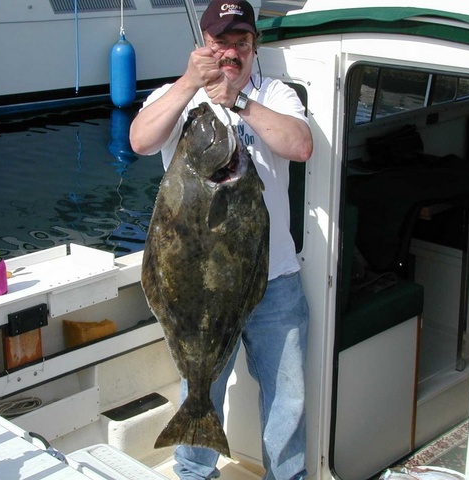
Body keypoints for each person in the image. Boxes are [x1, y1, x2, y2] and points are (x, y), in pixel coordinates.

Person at [130, 1, 313, 478]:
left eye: (241, 43)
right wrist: (190, 84)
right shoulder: (175, 96)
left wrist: (240, 103)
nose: (230, 52)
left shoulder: (275, 93)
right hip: (197, 289)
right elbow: (141, 141)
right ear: (202, 45)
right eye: (220, 42)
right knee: (202, 387)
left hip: (274, 282)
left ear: (254, 47)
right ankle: (194, 471)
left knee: (287, 401)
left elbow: (299, 145)